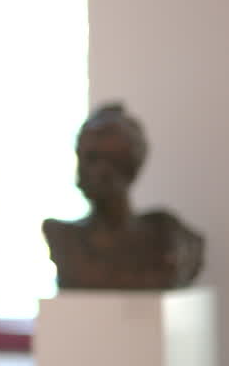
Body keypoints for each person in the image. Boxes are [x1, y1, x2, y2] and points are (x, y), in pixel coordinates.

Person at [42, 103, 205, 290]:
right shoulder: (62, 236)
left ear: (124, 167)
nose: (84, 171)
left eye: (94, 159)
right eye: (83, 157)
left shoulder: (166, 236)